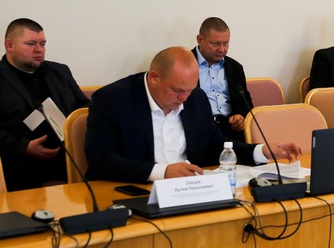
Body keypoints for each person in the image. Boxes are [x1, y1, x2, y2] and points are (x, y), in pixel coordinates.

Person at [85, 47, 301, 184]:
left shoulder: (195, 98)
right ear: (154, 78)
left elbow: (214, 144)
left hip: (191, 189)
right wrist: (163, 172)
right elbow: (101, 160)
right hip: (136, 191)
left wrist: (261, 151)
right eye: (178, 90)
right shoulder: (112, 100)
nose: (184, 98)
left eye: (189, 90)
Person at [0, 18, 90, 191]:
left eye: (42, 44)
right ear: (9, 45)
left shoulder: (60, 71)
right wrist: (23, 147)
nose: (39, 49)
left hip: (68, 159)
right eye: (31, 44)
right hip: (17, 164)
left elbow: (84, 107)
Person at [192, 17, 252, 141]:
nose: (222, 49)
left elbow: (245, 102)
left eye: (226, 43)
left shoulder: (235, 67)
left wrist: (241, 116)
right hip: (198, 130)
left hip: (230, 130)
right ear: (200, 40)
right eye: (215, 44)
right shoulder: (184, 64)